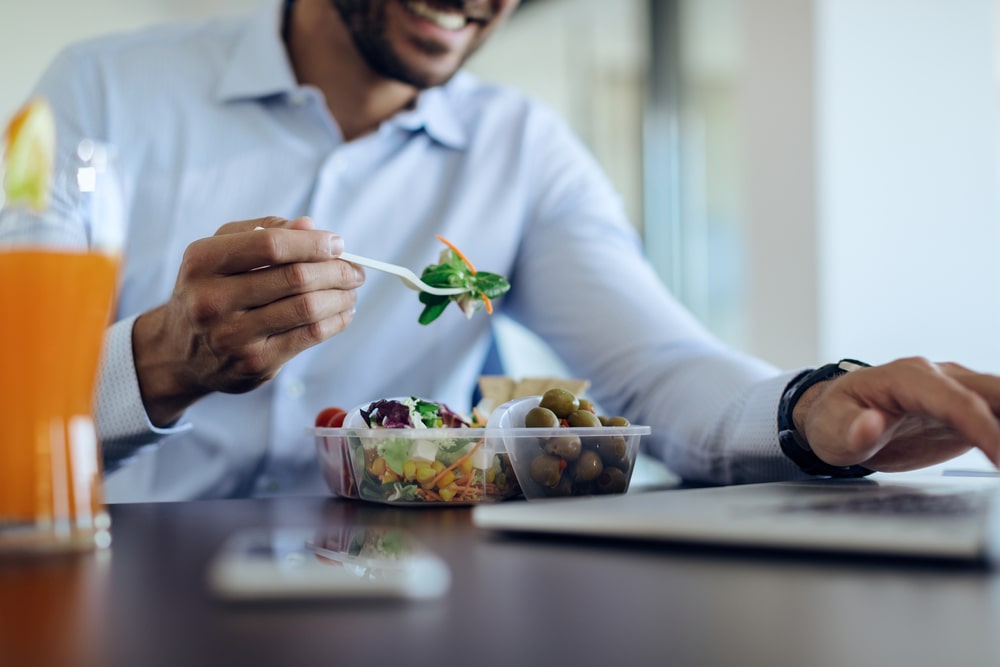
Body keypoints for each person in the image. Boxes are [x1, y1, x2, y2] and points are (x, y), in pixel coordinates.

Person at [27, 0, 999, 501]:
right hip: (109, 568)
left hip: (405, 595)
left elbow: (659, 369)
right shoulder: (104, 94)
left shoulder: (523, 151)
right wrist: (157, 361)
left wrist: (811, 409)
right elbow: (10, 394)